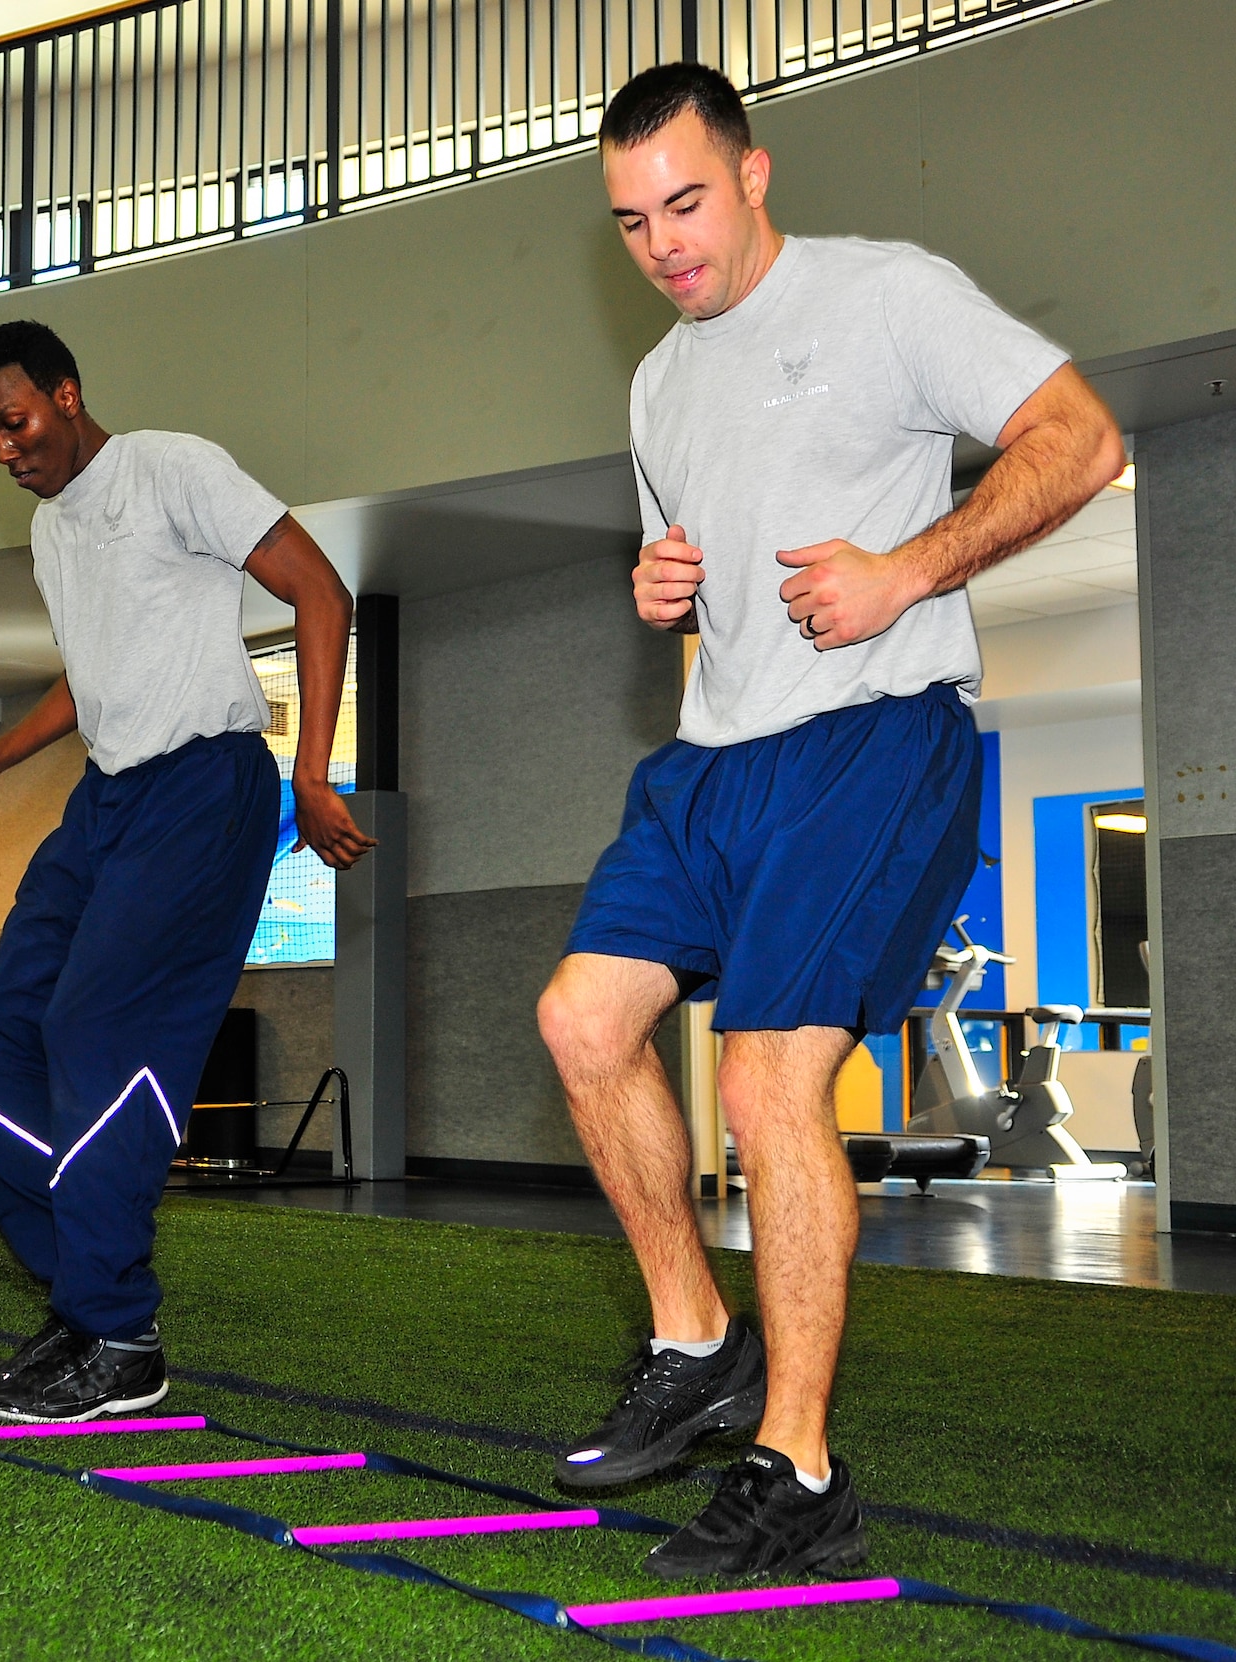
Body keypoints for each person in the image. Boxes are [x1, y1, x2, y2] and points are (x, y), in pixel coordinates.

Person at [536, 64, 1124, 1579]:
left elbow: (1082, 439)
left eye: (686, 202)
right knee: (582, 1022)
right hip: (712, 759)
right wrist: (661, 586)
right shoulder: (659, 382)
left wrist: (909, 568)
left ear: (754, 176)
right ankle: (695, 1339)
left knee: (764, 1081)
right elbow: (701, 571)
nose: (663, 242)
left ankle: (797, 1465)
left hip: (870, 736)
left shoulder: (886, 298)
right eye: (630, 222)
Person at [0, 319, 372, 1423]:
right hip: (107, 800)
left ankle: (119, 1334)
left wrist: (310, 775)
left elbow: (321, 592)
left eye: (14, 422)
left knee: (94, 1029)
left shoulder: (171, 468)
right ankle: (84, 1301)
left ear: (66, 395)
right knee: (11, 1031)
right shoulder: (49, 534)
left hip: (204, 787)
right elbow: (89, 677)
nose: (4, 449)